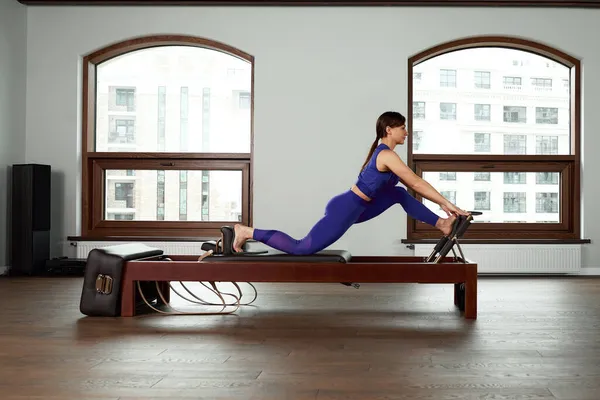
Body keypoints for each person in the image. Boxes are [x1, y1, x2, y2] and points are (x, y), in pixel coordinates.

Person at [232, 111, 469, 255]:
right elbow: (416, 182)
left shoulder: (385, 153)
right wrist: (449, 204)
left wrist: (444, 207)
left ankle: (440, 223)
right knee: (301, 247)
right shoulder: (386, 154)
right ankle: (247, 231)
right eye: (403, 127)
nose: (406, 132)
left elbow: (408, 188)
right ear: (389, 129)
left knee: (398, 194)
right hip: (346, 207)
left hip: (361, 207)